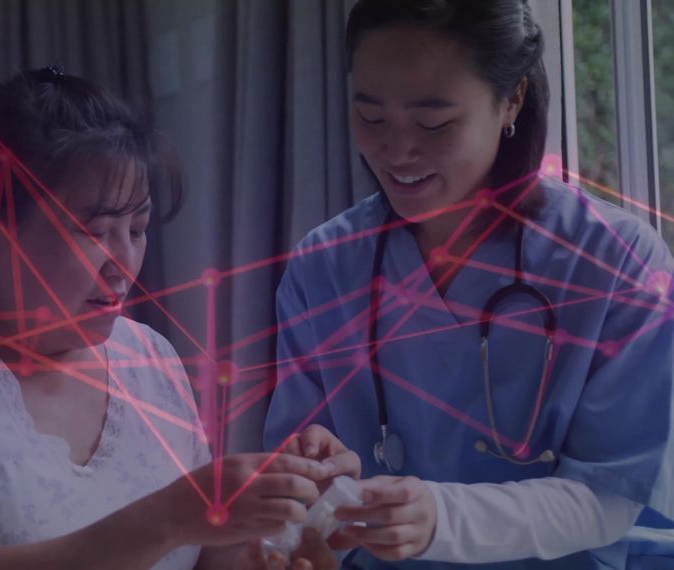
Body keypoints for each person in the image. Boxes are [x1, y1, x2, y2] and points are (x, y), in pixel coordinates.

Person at [0, 54, 335, 570]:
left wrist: (286, 530)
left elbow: (201, 558)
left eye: (137, 230)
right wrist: (170, 517)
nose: (123, 264)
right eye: (93, 231)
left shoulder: (149, 357)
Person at [264, 1, 674, 568]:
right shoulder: (324, 267)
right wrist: (315, 486)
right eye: (370, 116)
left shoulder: (616, 260)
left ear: (511, 101)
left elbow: (609, 494)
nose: (397, 150)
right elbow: (298, 481)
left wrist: (442, 518)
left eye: (433, 123)